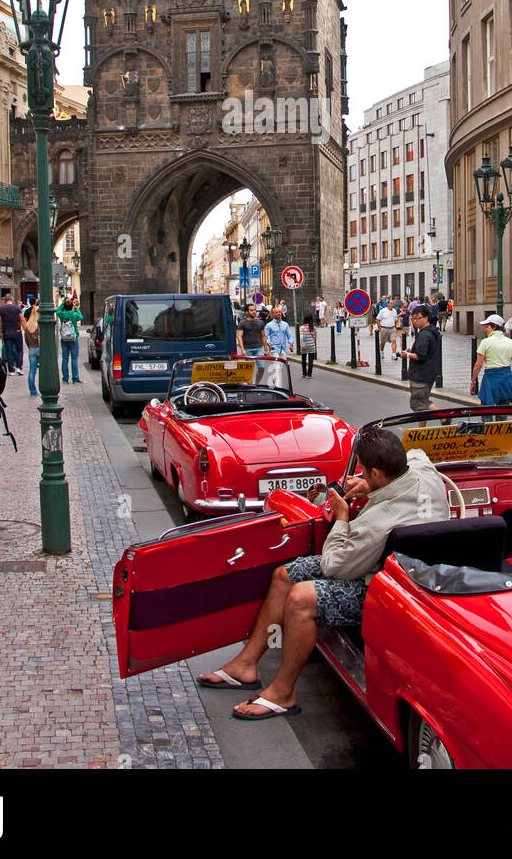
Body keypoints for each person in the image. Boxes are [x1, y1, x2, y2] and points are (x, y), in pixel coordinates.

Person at [196, 427, 450, 718]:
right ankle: (245, 665)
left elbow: (334, 566)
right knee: (284, 574)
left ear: (378, 473)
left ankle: (283, 693)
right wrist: (370, 486)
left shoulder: (379, 522)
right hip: (404, 568)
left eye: (365, 474)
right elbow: (418, 455)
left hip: (385, 589)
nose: (363, 478)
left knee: (302, 598)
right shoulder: (423, 472)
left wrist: (342, 518)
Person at [470, 315, 512, 407]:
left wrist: (473, 381)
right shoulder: (510, 342)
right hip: (506, 379)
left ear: (494, 327)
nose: (485, 329)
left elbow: (478, 365)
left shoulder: (486, 342)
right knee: (503, 413)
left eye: (487, 326)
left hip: (491, 379)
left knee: (486, 412)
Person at [407, 305, 441, 411]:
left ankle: (423, 427)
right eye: (413, 319)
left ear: (426, 318)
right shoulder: (432, 332)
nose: (415, 321)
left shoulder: (424, 335)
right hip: (429, 373)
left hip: (420, 374)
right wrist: (412, 351)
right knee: (424, 401)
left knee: (419, 406)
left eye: (418, 318)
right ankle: (444, 418)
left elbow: (421, 356)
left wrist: (407, 354)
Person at [56, 296, 83, 384]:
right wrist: (76, 308)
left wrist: (63, 304)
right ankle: (75, 378)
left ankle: (65, 378)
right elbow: (81, 317)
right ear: (71, 306)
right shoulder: (73, 314)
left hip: (64, 338)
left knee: (64, 359)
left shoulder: (62, 314)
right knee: (74, 359)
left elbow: (57, 311)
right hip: (73, 338)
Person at [0, 290, 23, 374]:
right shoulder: (17, 308)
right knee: (19, 350)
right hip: (16, 331)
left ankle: (11, 370)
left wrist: (0, 332)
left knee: (9, 351)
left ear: (5, 301)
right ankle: (19, 367)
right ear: (12, 300)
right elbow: (21, 319)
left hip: (7, 331)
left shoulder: (1, 309)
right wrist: (25, 328)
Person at [22, 296, 41, 396]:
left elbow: (25, 339)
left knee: (32, 371)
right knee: (42, 371)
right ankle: (43, 388)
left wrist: (30, 346)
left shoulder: (28, 325)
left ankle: (32, 390)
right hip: (39, 348)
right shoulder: (39, 324)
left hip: (32, 349)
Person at [299, 310, 317, 378]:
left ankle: (304, 373)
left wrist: (302, 344)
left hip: (304, 345)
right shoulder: (314, 328)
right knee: (311, 360)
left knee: (303, 360)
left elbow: (301, 336)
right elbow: (315, 337)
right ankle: (309, 374)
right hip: (311, 346)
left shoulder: (302, 327)